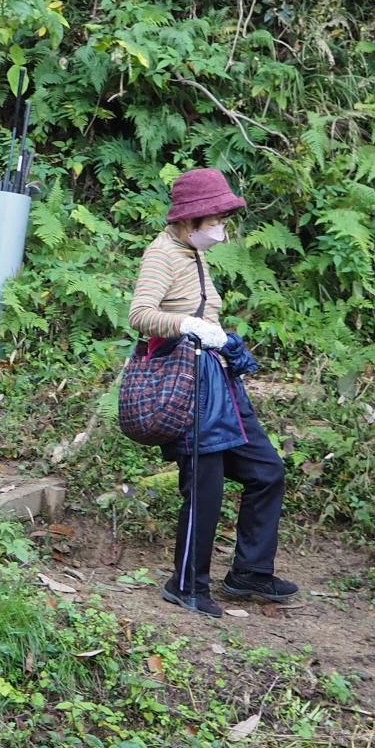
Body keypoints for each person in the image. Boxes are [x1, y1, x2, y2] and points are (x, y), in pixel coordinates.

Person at [128, 168, 293, 618]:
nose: (222, 232)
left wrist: (220, 337)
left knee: (266, 471)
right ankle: (186, 584)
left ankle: (250, 573)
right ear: (189, 221)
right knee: (205, 486)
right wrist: (188, 325)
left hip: (218, 379)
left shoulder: (194, 252)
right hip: (186, 384)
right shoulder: (162, 254)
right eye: (216, 222)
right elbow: (140, 313)